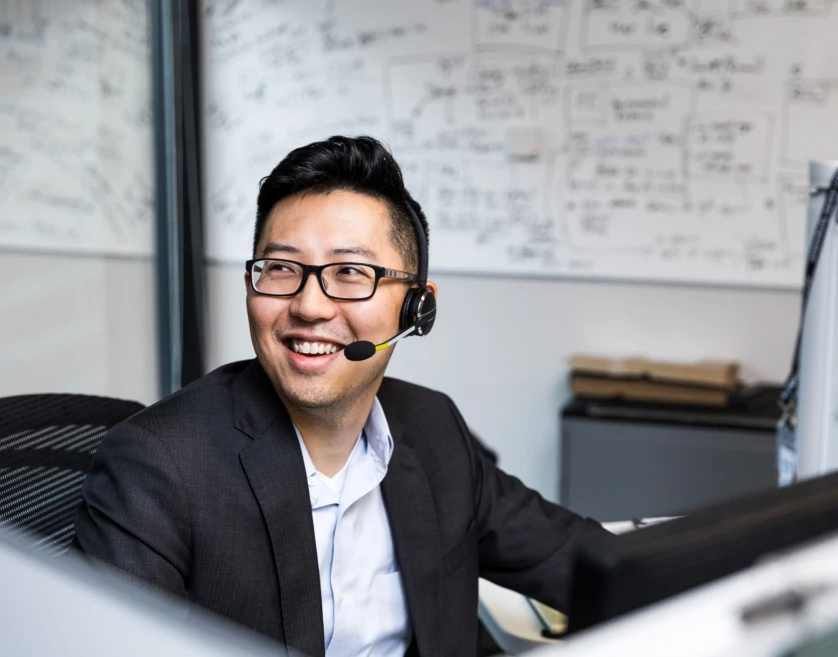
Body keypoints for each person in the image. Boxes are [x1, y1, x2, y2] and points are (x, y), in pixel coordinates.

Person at [73, 135, 609, 657]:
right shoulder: (158, 466)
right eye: (280, 268)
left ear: (418, 306)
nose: (309, 306)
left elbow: (585, 562)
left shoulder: (432, 427)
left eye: (351, 272)